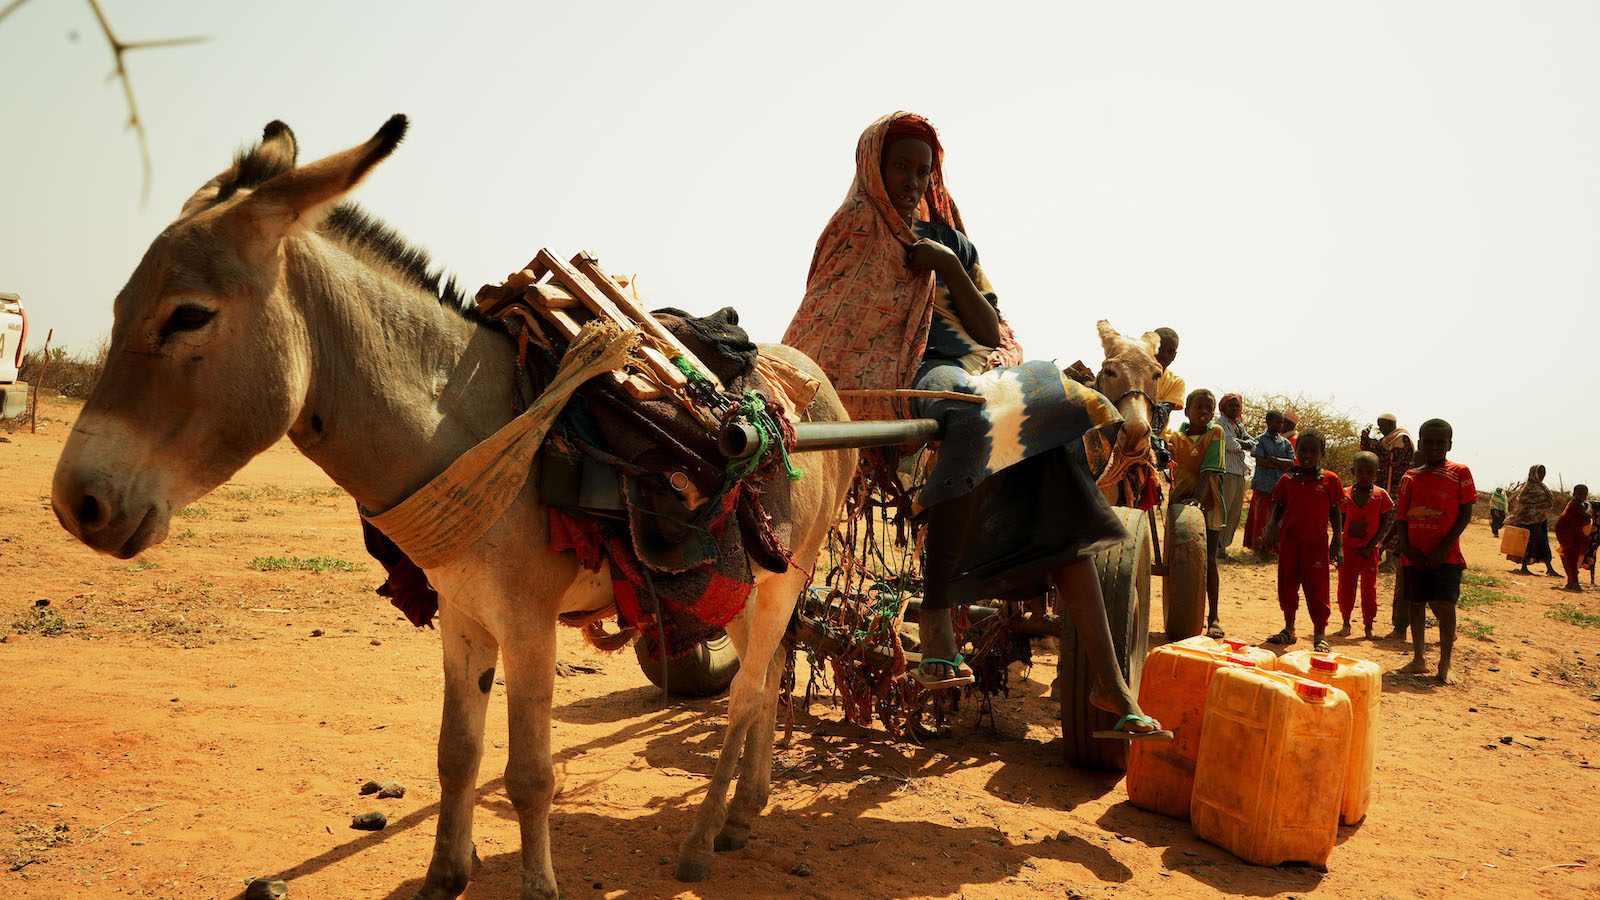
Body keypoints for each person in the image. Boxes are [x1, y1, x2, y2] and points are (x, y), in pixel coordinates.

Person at [783, 112, 1169, 741]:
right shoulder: (854, 232)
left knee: (1058, 423)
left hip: (978, 366)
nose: (911, 180)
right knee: (965, 408)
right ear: (872, 169)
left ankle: (1108, 681)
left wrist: (946, 265)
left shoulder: (952, 240)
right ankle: (937, 612)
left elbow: (990, 331)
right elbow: (830, 323)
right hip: (915, 375)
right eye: (899, 167)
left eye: (922, 169)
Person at [1395, 419, 1475, 684]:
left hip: (1447, 554)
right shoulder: (1410, 477)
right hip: (1414, 553)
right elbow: (1402, 517)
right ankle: (1419, 659)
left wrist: (1443, 548)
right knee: (1416, 604)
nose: (1435, 446)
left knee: (1445, 605)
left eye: (1441, 442)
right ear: (1420, 443)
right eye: (1429, 441)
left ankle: (1444, 664)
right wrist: (1405, 547)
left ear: (1450, 444)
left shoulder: (1460, 472)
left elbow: (1465, 513)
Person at [1260, 428, 1344, 652]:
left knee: (1317, 588)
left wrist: (1338, 539)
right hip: (1290, 542)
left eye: (1313, 451)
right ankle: (1289, 628)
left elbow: (1335, 512)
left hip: (1316, 545)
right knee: (1287, 585)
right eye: (1303, 450)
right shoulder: (1287, 479)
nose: (1307, 455)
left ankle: (1319, 633)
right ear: (1296, 451)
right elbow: (1278, 506)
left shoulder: (1330, 480)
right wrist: (1270, 529)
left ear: (1322, 453)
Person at [1167, 389, 1227, 638]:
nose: (1204, 412)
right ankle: (1181, 616)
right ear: (1188, 410)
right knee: (1178, 560)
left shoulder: (1216, 433)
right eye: (1199, 407)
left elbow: (1208, 470)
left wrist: (1198, 499)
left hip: (1208, 503)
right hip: (1179, 504)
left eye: (1209, 408)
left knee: (1209, 560)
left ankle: (1213, 617)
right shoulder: (1175, 437)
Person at [1338, 452, 1394, 639]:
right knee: (1346, 587)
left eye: (1369, 473)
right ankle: (1345, 623)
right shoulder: (1345, 494)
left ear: (1376, 474)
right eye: (1360, 472)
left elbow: (1385, 523)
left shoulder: (1381, 496)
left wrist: (1373, 545)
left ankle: (1368, 626)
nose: (1364, 476)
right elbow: (1340, 521)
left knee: (1369, 589)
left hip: (1370, 551)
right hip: (1348, 549)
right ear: (1353, 471)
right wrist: (1337, 543)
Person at [1243, 410, 1295, 552]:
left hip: (1280, 486)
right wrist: (1280, 465)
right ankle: (1259, 547)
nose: (1279, 425)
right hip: (1263, 484)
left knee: (1279, 518)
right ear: (1268, 422)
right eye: (1276, 422)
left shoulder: (1285, 442)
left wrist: (1273, 459)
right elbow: (1260, 461)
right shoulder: (1259, 440)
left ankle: (1275, 547)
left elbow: (1291, 462)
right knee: (1261, 517)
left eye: (1281, 422)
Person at [1216, 393, 1254, 558]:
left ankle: (1223, 548)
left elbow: (1254, 444)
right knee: (1223, 512)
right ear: (1223, 407)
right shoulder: (1219, 424)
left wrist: (1245, 443)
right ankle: (1217, 548)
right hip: (1226, 472)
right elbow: (1233, 445)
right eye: (1231, 405)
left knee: (1234, 512)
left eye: (1237, 405)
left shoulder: (1239, 425)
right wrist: (1245, 444)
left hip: (1239, 472)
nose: (1235, 408)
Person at [1507, 465, 1559, 576]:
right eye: (1539, 473)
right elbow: (1524, 503)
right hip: (1528, 519)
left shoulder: (1542, 487)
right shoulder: (1528, 488)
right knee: (1527, 543)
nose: (1542, 475)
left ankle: (1549, 568)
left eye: (1543, 473)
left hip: (1540, 518)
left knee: (1543, 542)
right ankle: (1524, 566)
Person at [1360, 414, 1414, 498]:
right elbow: (1370, 455)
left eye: (1382, 426)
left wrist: (1375, 445)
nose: (1380, 429)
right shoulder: (1385, 441)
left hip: (1397, 484)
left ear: (1391, 425)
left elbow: (1395, 461)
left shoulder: (1401, 438)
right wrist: (1365, 439)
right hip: (1383, 483)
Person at [1554, 485, 1590, 592]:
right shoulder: (1575, 505)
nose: (1582, 497)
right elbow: (1585, 518)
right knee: (1571, 559)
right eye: (1580, 494)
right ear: (1574, 494)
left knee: (1571, 559)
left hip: (1572, 535)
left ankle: (1571, 582)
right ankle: (1575, 582)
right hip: (1569, 536)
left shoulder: (1578, 504)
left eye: (1584, 495)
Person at [1153, 328, 1185, 410]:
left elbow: (1163, 416)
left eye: (1170, 351)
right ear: (1150, 348)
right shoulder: (1131, 373)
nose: (1164, 355)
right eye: (1160, 349)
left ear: (1174, 356)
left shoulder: (1175, 382)